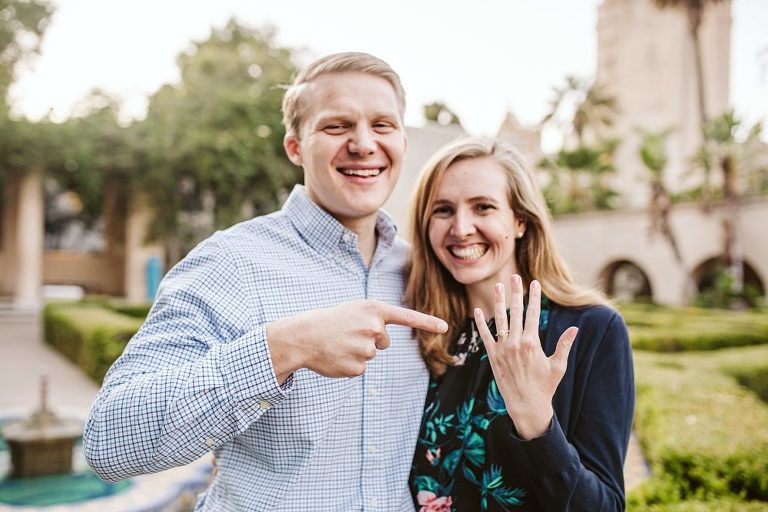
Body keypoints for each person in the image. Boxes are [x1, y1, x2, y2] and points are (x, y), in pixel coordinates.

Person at [83, 52, 448, 511]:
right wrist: (284, 348)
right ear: (295, 147)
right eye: (336, 126)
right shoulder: (230, 262)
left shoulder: (422, 269)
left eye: (382, 125)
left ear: (401, 140)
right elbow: (108, 442)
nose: (362, 144)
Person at [406, 137, 635, 511]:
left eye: (483, 207)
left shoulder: (591, 330)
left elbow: (605, 506)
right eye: (443, 210)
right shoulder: (425, 331)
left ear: (520, 221)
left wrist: (536, 419)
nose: (461, 228)